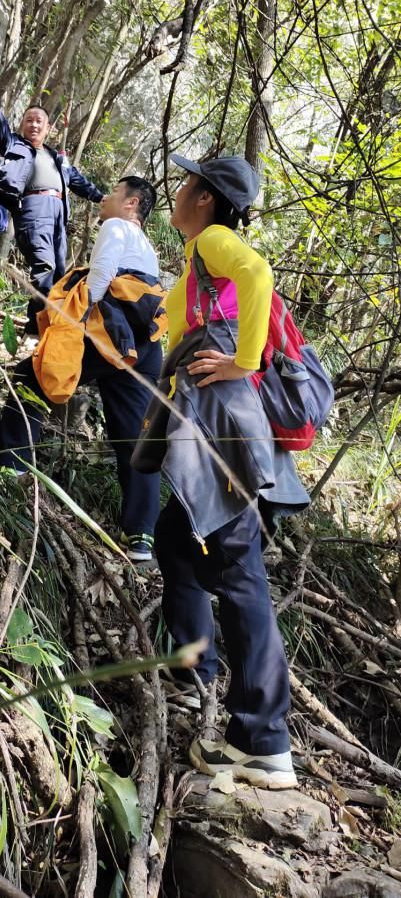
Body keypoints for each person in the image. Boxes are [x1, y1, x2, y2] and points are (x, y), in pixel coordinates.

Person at [136, 155, 309, 788]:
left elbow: (258, 273)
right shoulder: (198, 266)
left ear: (205, 198)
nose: (177, 195)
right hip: (209, 433)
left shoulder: (214, 242)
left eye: (185, 186)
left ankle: (263, 740)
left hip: (224, 436)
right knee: (178, 545)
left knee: (240, 575)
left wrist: (242, 360)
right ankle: (196, 674)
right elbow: (180, 337)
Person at [0, 177, 166, 561]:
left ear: (131, 203)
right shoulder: (147, 248)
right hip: (145, 345)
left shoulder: (116, 226)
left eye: (114, 193)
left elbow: (102, 275)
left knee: (32, 375)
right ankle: (141, 537)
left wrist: (75, 321)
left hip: (110, 332)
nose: (105, 198)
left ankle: (11, 468)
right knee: (133, 440)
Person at [0, 66, 104, 332]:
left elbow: (77, 181)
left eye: (39, 121)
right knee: (43, 267)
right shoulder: (14, 145)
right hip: (34, 209)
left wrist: (102, 198)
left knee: (58, 274)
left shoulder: (58, 158)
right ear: (22, 124)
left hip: (58, 214)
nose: (33, 124)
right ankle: (35, 329)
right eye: (29, 120)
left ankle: (50, 329)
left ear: (48, 128)